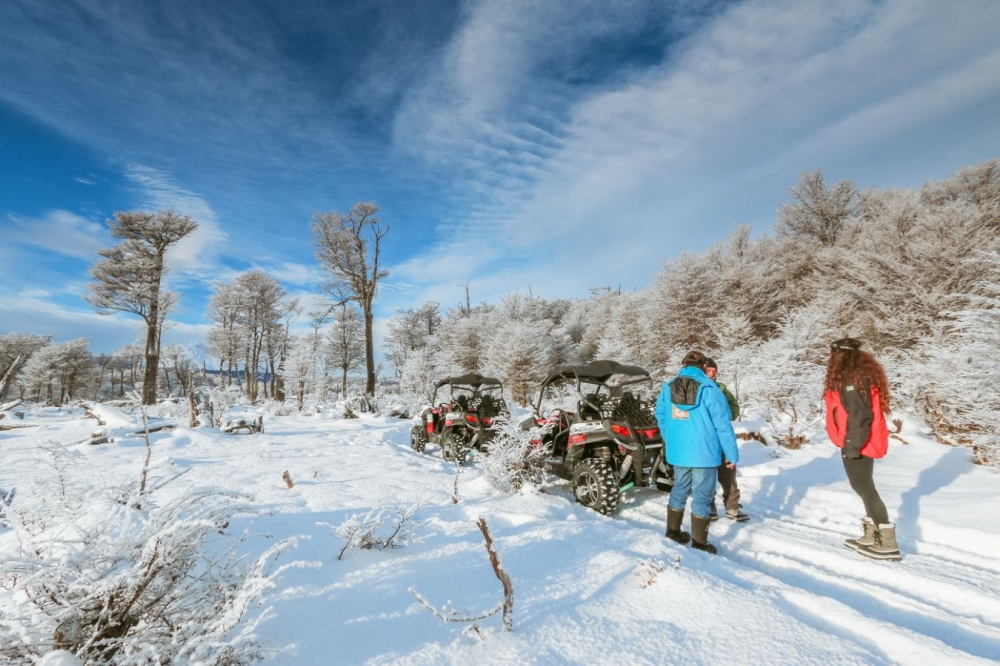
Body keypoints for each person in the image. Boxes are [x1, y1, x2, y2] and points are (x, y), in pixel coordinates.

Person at [655, 351, 740, 554]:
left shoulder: (668, 387)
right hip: (704, 453)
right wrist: (731, 453)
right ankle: (700, 543)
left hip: (679, 452)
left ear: (684, 365)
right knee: (702, 496)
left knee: (679, 489)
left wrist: (671, 440)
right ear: (703, 366)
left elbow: (661, 416)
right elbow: (723, 424)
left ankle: (673, 532)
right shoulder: (709, 388)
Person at [824, 337, 899, 561]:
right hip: (857, 440)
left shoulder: (852, 380)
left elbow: (860, 417)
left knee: (865, 488)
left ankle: (887, 542)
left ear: (840, 356)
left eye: (832, 353)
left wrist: (851, 446)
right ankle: (872, 535)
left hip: (859, 442)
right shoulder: (855, 376)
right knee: (863, 487)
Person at [704, 358, 749, 522]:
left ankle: (732, 507)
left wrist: (724, 415)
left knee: (728, 473)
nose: (712, 373)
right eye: (709, 370)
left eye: (714, 371)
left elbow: (734, 407)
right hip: (705, 438)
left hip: (723, 437)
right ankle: (709, 507)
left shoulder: (721, 388)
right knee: (707, 475)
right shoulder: (697, 389)